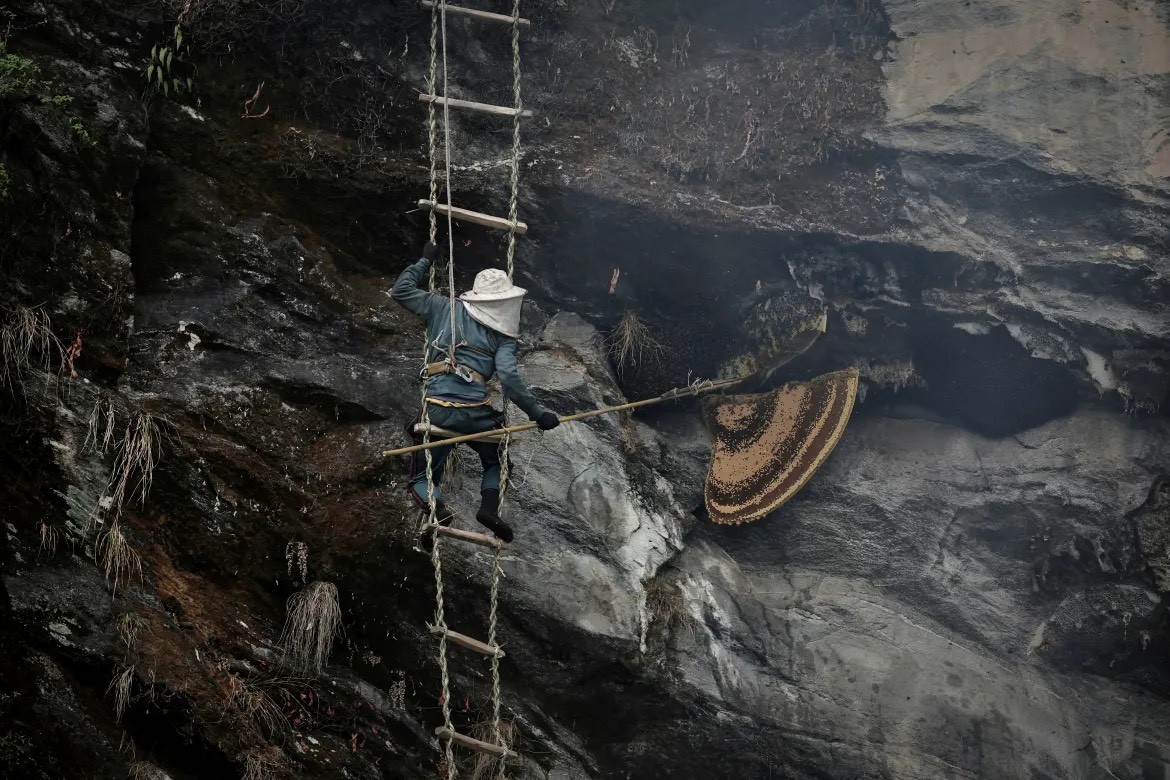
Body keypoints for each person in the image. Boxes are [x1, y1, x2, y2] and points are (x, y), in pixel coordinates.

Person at [391, 241, 560, 542]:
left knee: (423, 476)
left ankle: (435, 508)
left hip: (437, 408)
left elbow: (401, 291)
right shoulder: (503, 335)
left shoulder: (443, 306)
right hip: (476, 414)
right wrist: (539, 414)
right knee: (497, 462)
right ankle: (489, 510)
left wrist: (424, 261)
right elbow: (508, 376)